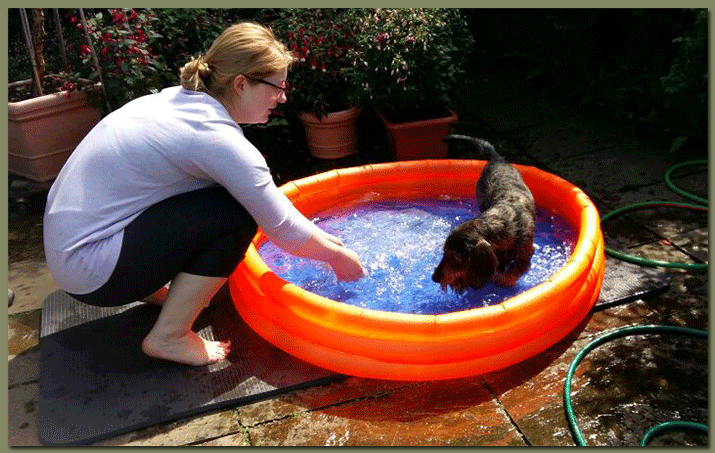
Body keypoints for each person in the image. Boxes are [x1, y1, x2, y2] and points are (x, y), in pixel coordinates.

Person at [43, 22, 367, 367]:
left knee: (214, 197)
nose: (283, 98)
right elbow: (282, 228)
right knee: (235, 216)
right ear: (241, 84)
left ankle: (156, 292)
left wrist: (327, 242)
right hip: (94, 272)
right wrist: (338, 257)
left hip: (71, 255)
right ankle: (169, 336)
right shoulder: (215, 138)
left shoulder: (179, 102)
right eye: (278, 87)